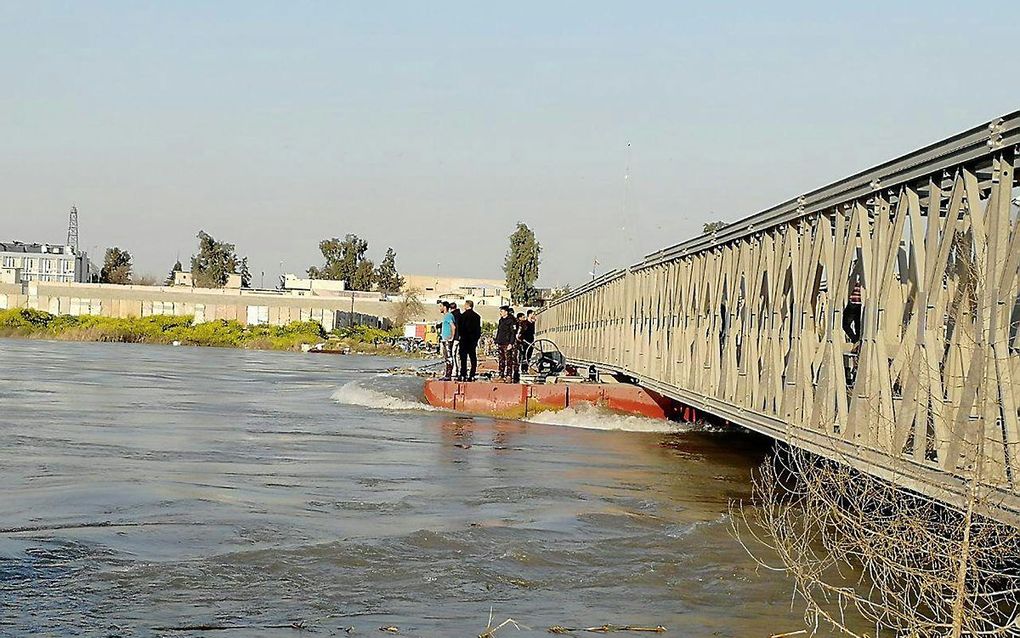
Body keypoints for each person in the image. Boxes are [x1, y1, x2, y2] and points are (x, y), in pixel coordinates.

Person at [458, 300, 482, 381]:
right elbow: (478, 329)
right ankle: (472, 373)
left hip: (464, 339)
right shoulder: (477, 316)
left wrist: (460, 336)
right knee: (473, 357)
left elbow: (460, 328)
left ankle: (463, 373)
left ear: (467, 305)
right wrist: (476, 338)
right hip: (472, 340)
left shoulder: (463, 316)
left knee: (463, 357)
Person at [494, 305, 519, 382]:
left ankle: (509, 375)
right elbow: (499, 331)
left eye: (502, 311)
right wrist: (496, 340)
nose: (500, 313)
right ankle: (501, 374)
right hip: (501, 342)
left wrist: (511, 343)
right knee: (501, 359)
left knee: (509, 360)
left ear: (506, 312)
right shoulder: (501, 320)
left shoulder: (511, 321)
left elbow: (513, 333)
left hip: (507, 343)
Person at [439, 301, 457, 380]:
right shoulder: (447, 316)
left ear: (445, 307)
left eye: (441, 306)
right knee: (446, 357)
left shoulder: (448, 316)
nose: (440, 308)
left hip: (447, 340)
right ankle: (447, 374)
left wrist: (451, 337)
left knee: (449, 357)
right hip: (445, 339)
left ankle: (448, 375)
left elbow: (453, 326)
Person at [518, 310, 536, 375]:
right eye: (533, 314)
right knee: (524, 355)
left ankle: (526, 368)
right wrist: (521, 339)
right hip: (524, 342)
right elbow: (520, 332)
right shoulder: (524, 323)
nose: (534, 315)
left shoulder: (533, 323)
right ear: (530, 314)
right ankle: (523, 369)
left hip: (531, 341)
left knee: (529, 356)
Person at [450, 302, 462, 379]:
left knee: (452, 354)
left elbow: (452, 326)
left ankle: (454, 370)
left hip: (454, 337)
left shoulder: (451, 316)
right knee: (458, 354)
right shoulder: (461, 315)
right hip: (461, 337)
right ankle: (459, 370)